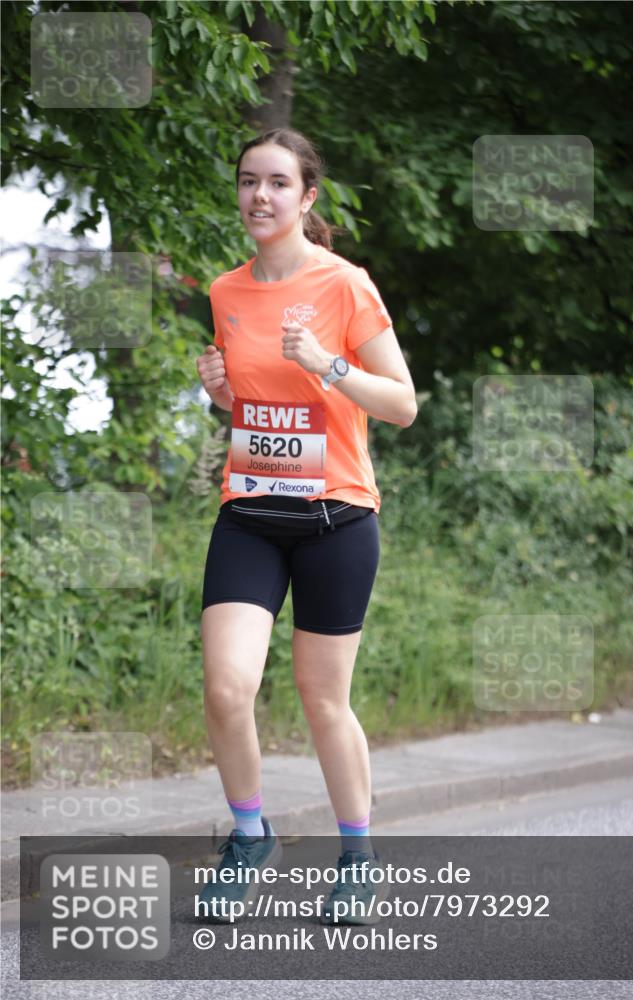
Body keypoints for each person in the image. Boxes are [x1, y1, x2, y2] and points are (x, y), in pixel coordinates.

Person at [196, 127, 417, 925]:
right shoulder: (226, 291)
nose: (260, 196)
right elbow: (247, 409)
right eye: (249, 181)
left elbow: (400, 405)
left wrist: (327, 361)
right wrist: (217, 392)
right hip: (250, 514)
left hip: (335, 517)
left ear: (307, 197)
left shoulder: (344, 285)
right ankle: (250, 838)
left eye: (278, 183)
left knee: (323, 700)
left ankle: (357, 857)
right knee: (227, 688)